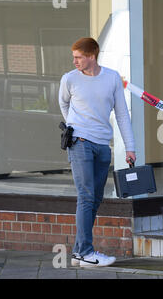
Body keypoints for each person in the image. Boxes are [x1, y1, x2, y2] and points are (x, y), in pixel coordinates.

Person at [59, 37, 136, 267]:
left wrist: (130, 147)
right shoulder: (69, 79)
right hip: (80, 142)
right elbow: (63, 104)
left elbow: (122, 114)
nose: (74, 61)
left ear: (92, 56)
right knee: (86, 195)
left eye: (78, 57)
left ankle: (79, 252)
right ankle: (85, 252)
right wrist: (74, 126)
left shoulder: (111, 77)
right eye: (73, 57)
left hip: (103, 145)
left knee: (95, 198)